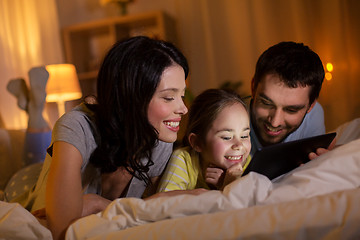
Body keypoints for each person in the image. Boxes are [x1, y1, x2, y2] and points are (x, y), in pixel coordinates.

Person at [15, 36, 205, 240]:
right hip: (28, 191)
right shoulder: (77, 126)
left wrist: (98, 203)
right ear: (131, 96)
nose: (184, 109)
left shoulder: (159, 140)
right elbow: (63, 230)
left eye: (182, 95)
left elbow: (154, 212)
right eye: (169, 97)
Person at [249, 41, 332, 159]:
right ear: (253, 88)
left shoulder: (315, 114)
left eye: (291, 110)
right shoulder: (228, 117)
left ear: (311, 105)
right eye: (266, 103)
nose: (275, 122)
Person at [158, 89, 252, 192]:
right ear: (197, 142)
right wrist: (222, 191)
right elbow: (165, 203)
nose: (239, 145)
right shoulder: (184, 159)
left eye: (244, 136)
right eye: (227, 137)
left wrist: (230, 186)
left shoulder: (247, 163)